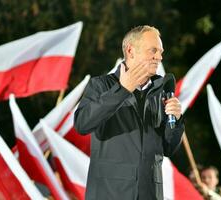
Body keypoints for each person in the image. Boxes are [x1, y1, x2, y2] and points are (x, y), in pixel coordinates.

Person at [74, 25, 184, 200]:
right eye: (153, 50)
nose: (159, 57)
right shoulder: (101, 86)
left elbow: (168, 148)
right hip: (110, 194)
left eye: (161, 51)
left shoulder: (161, 92)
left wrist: (176, 121)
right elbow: (82, 124)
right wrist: (122, 90)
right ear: (131, 51)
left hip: (150, 194)